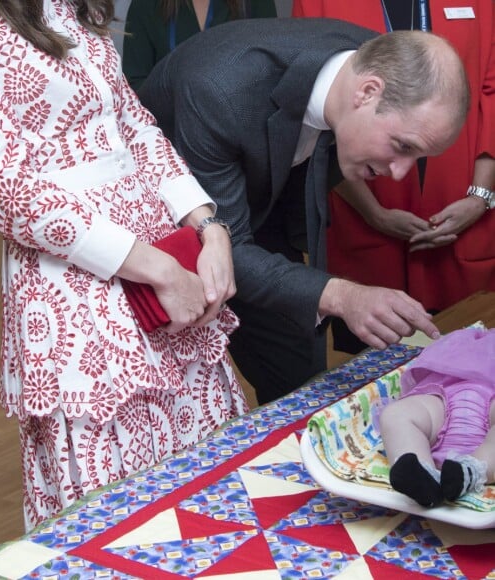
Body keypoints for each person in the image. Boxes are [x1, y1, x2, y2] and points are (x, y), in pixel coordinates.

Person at [0, 0, 249, 530]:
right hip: (75, 278)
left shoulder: (62, 3)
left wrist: (209, 227)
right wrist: (158, 271)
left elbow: (134, 126)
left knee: (206, 465)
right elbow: (6, 190)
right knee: (116, 499)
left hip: (158, 244)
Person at [137, 17, 470, 406]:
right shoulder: (219, 90)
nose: (399, 173)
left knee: (303, 383)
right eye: (402, 146)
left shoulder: (372, 61)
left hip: (266, 205)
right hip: (174, 236)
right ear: (367, 92)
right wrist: (344, 296)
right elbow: (223, 244)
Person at [292, 0, 495, 354]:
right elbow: (318, 110)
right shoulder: (316, 3)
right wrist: (373, 212)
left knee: (467, 363)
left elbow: (491, 95)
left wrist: (481, 197)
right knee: (372, 374)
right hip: (364, 224)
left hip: (461, 226)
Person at [379, 327, 495, 507]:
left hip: (489, 411)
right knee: (395, 414)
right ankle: (420, 474)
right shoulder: (463, 340)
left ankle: (471, 471)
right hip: (445, 394)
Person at [123, 0, 277, 92]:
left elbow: (272, 74)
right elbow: (135, 86)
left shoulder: (253, 3)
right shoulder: (146, 5)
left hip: (239, 133)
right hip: (170, 135)